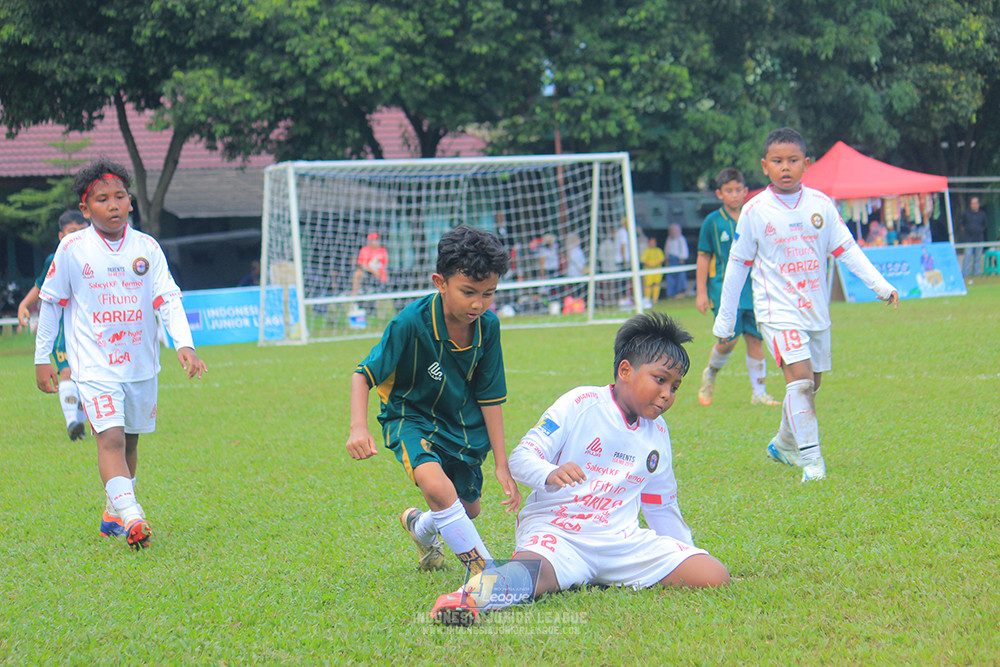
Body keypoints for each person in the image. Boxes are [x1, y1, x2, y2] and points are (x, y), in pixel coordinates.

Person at [430, 312, 730, 626]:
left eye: (675, 386)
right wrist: (549, 472)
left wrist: (684, 552)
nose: (667, 393)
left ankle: (605, 573)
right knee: (530, 575)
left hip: (620, 543)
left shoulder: (659, 432)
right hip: (559, 535)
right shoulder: (581, 403)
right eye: (660, 379)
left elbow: (661, 505)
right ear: (625, 370)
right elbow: (521, 458)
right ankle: (465, 599)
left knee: (713, 574)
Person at [33, 159, 207, 549]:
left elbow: (168, 298)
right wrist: (42, 357)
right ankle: (132, 516)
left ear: (130, 201)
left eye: (120, 197)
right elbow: (51, 303)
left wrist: (185, 343)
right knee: (110, 438)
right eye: (102, 199)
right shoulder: (72, 248)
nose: (113, 205)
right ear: (85, 208)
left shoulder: (147, 248)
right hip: (94, 366)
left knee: (129, 442)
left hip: (141, 366)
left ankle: (114, 513)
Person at [712, 128, 898, 482]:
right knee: (799, 381)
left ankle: (784, 443)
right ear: (765, 166)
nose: (785, 167)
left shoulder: (821, 205)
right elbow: (737, 266)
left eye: (793, 160)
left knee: (811, 384)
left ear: (806, 164)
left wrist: (880, 285)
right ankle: (813, 462)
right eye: (777, 161)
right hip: (777, 313)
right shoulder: (755, 210)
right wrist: (726, 320)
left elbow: (847, 249)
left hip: (815, 312)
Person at [346, 225, 521, 575]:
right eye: (468, 292)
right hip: (410, 417)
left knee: (467, 509)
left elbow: (490, 397)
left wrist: (502, 463)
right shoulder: (410, 322)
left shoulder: (488, 326)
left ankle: (420, 527)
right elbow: (363, 375)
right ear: (440, 282)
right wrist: (358, 428)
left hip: (461, 425)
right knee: (438, 489)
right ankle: (486, 574)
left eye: (488, 293)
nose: (478, 303)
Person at [695, 168, 779, 408]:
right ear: (719, 194)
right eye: (729, 191)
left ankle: (759, 393)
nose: (734, 195)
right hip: (724, 290)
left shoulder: (755, 216)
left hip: (755, 289)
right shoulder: (712, 222)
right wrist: (701, 292)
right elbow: (703, 257)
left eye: (738, 190)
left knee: (755, 339)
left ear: (745, 191)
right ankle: (711, 373)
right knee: (728, 340)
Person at [18, 210, 91, 440]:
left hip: (91, 329)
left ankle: (80, 424)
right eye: (72, 232)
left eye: (82, 231)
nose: (77, 236)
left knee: (87, 376)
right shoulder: (55, 259)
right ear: (61, 236)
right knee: (67, 371)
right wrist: (24, 304)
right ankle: (72, 422)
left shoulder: (98, 256)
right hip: (63, 329)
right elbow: (41, 286)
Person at [960, 196, 987, 279]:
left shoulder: (982, 214)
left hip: (979, 238)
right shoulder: (966, 214)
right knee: (967, 256)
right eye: (972, 203)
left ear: (978, 204)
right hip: (969, 239)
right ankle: (965, 274)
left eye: (975, 203)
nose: (973, 205)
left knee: (978, 257)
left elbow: (984, 225)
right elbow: (962, 225)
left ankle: (976, 274)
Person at [665, 223, 689, 298]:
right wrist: (667, 259)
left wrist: (682, 257)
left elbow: (684, 249)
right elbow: (667, 249)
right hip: (671, 260)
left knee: (680, 276)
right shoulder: (669, 239)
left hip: (678, 259)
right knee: (671, 277)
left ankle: (680, 291)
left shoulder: (681, 238)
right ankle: (671, 293)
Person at [639, 235, 665, 305]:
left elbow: (662, 260)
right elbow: (643, 260)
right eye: (651, 242)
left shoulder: (658, 251)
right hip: (648, 271)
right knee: (648, 285)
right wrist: (650, 265)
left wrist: (656, 265)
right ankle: (647, 299)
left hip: (657, 271)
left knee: (656, 285)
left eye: (653, 242)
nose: (652, 244)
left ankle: (655, 299)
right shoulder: (646, 251)